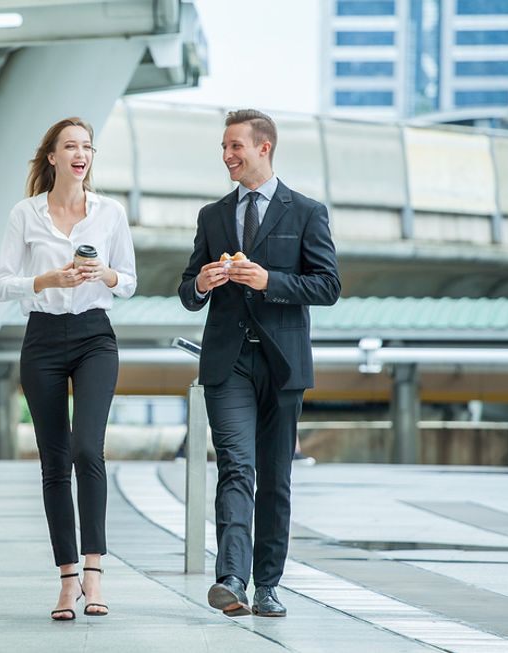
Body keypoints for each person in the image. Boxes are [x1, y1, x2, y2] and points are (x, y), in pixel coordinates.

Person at [178, 109, 340, 617]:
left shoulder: (307, 212)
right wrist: (202, 283)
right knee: (235, 466)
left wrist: (269, 281)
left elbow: (328, 286)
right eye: (224, 148)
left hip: (283, 363)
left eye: (235, 147)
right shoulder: (213, 215)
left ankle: (268, 583)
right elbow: (187, 290)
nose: (227, 156)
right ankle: (231, 578)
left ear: (263, 148)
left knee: (275, 477)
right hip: (228, 364)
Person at [0, 117, 137, 621]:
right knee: (54, 462)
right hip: (44, 338)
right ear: (52, 156)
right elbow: (1, 283)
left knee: (86, 449)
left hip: (96, 335)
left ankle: (96, 574)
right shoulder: (25, 213)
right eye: (71, 146)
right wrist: (46, 278)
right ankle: (67, 580)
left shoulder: (110, 212)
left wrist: (107, 273)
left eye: (87, 146)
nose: (81, 153)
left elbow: (130, 281)